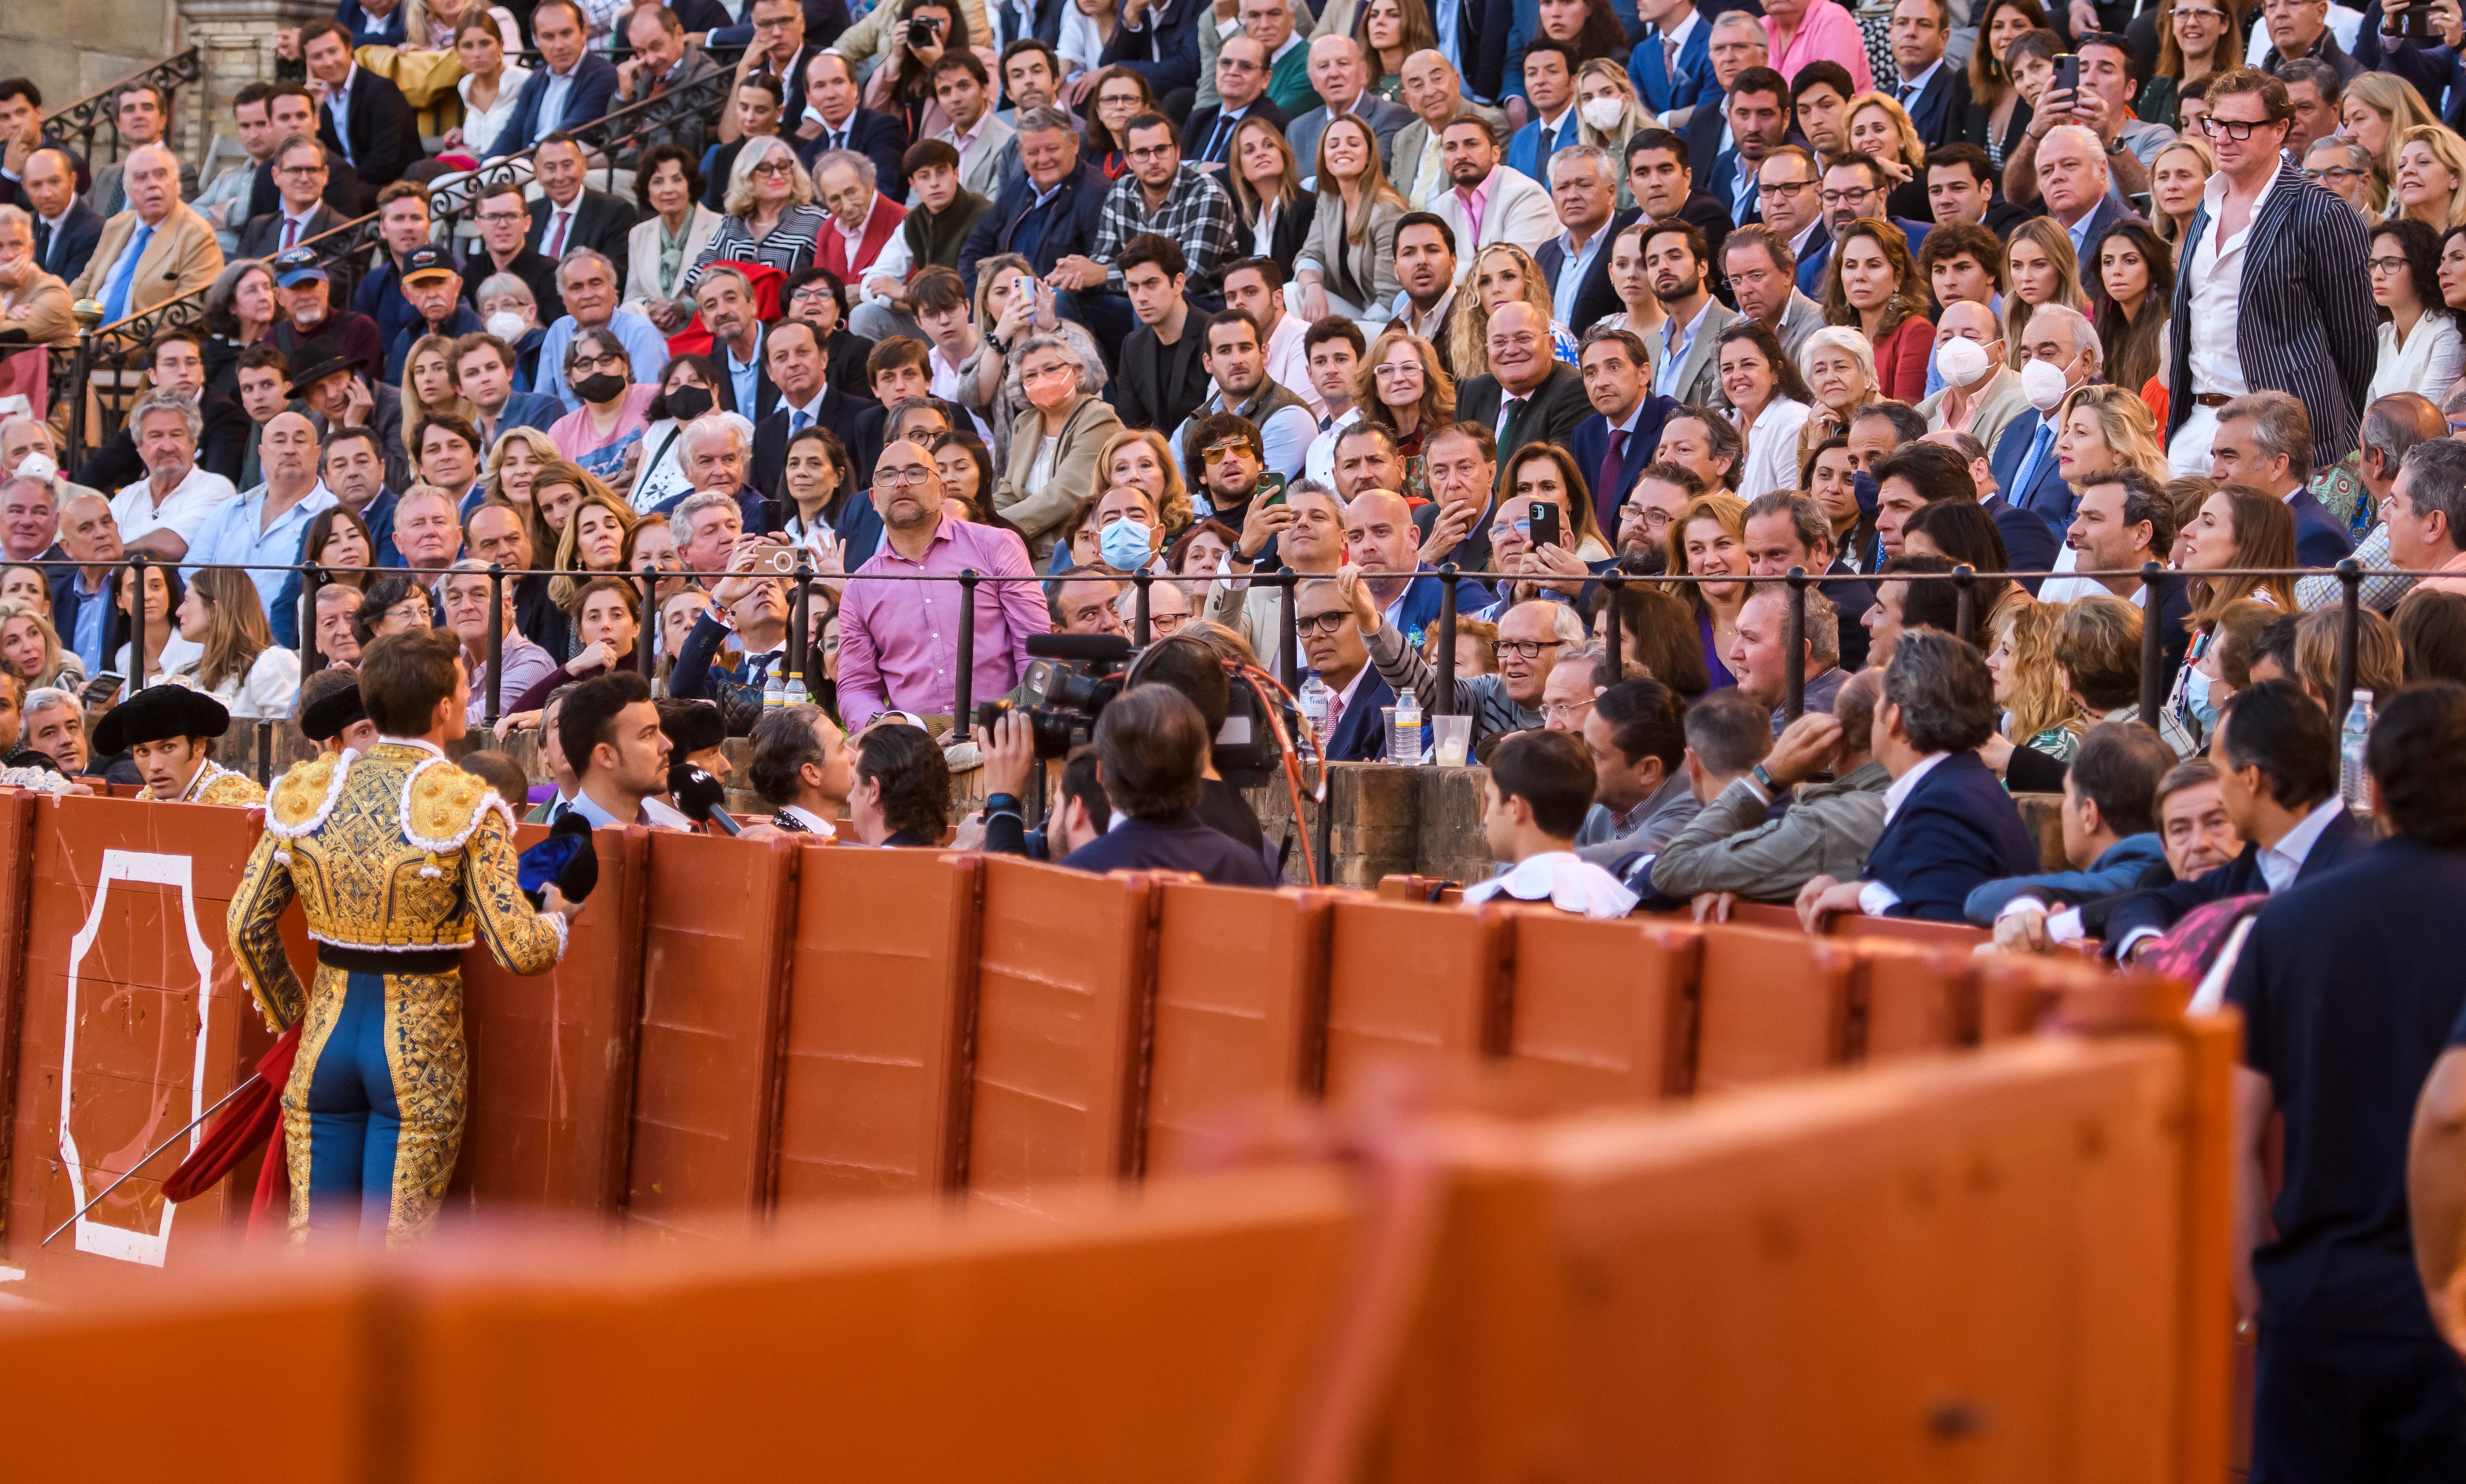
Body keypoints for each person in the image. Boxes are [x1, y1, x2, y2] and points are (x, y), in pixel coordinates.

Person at [229, 629, 581, 1246]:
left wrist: (295, 1020)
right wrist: (559, 918)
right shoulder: (466, 802)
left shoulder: (307, 791)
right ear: (446, 708)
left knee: (317, 1245)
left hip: (327, 1036)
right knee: (392, 1252)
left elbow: (245, 925)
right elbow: (519, 950)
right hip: (417, 1044)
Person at [2195, 683, 2466, 1475]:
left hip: (2317, 1307)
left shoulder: (2288, 921)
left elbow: (2228, 1135)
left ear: (2372, 788)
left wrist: (2260, 1306)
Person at [2165, 69, 2374, 477]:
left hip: (2277, 434)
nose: (2222, 138)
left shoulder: (2323, 213)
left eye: (2240, 127)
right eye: (2216, 124)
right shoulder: (2205, 207)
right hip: (2194, 424)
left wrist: (2322, 421)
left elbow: (2356, 342)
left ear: (2280, 129)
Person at [1796, 627, 2038, 925]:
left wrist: (1867, 896)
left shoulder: (1943, 809)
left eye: (1881, 700)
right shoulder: (1957, 787)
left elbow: (1941, 941)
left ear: (1894, 717)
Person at [838, 437, 1045, 723]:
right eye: (888, 475)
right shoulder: (861, 587)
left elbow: (1037, 653)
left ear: (942, 491)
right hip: (912, 748)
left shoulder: (996, 547)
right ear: (873, 500)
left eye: (915, 472)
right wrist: (887, 730)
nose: (901, 483)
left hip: (1000, 736)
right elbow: (856, 687)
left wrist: (1020, 721)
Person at [1651, 668, 1889, 909]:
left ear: (1835, 738)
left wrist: (1769, 775)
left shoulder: (1827, 823)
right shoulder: (1911, 799)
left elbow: (1672, 867)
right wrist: (1757, 892)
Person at [1459, 726, 1637, 916]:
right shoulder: (1616, 899)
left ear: (1516, 808)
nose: (1486, 819)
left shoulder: (1484, 906)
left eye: (1490, 800)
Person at [93, 683, 264, 804]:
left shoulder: (239, 804)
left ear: (198, 746)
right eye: (143, 752)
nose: (155, 766)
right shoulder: (146, 798)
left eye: (168, 748)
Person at [843, 720, 950, 845]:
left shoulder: (854, 864)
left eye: (854, 783)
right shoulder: (945, 859)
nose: (849, 798)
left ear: (874, 791)